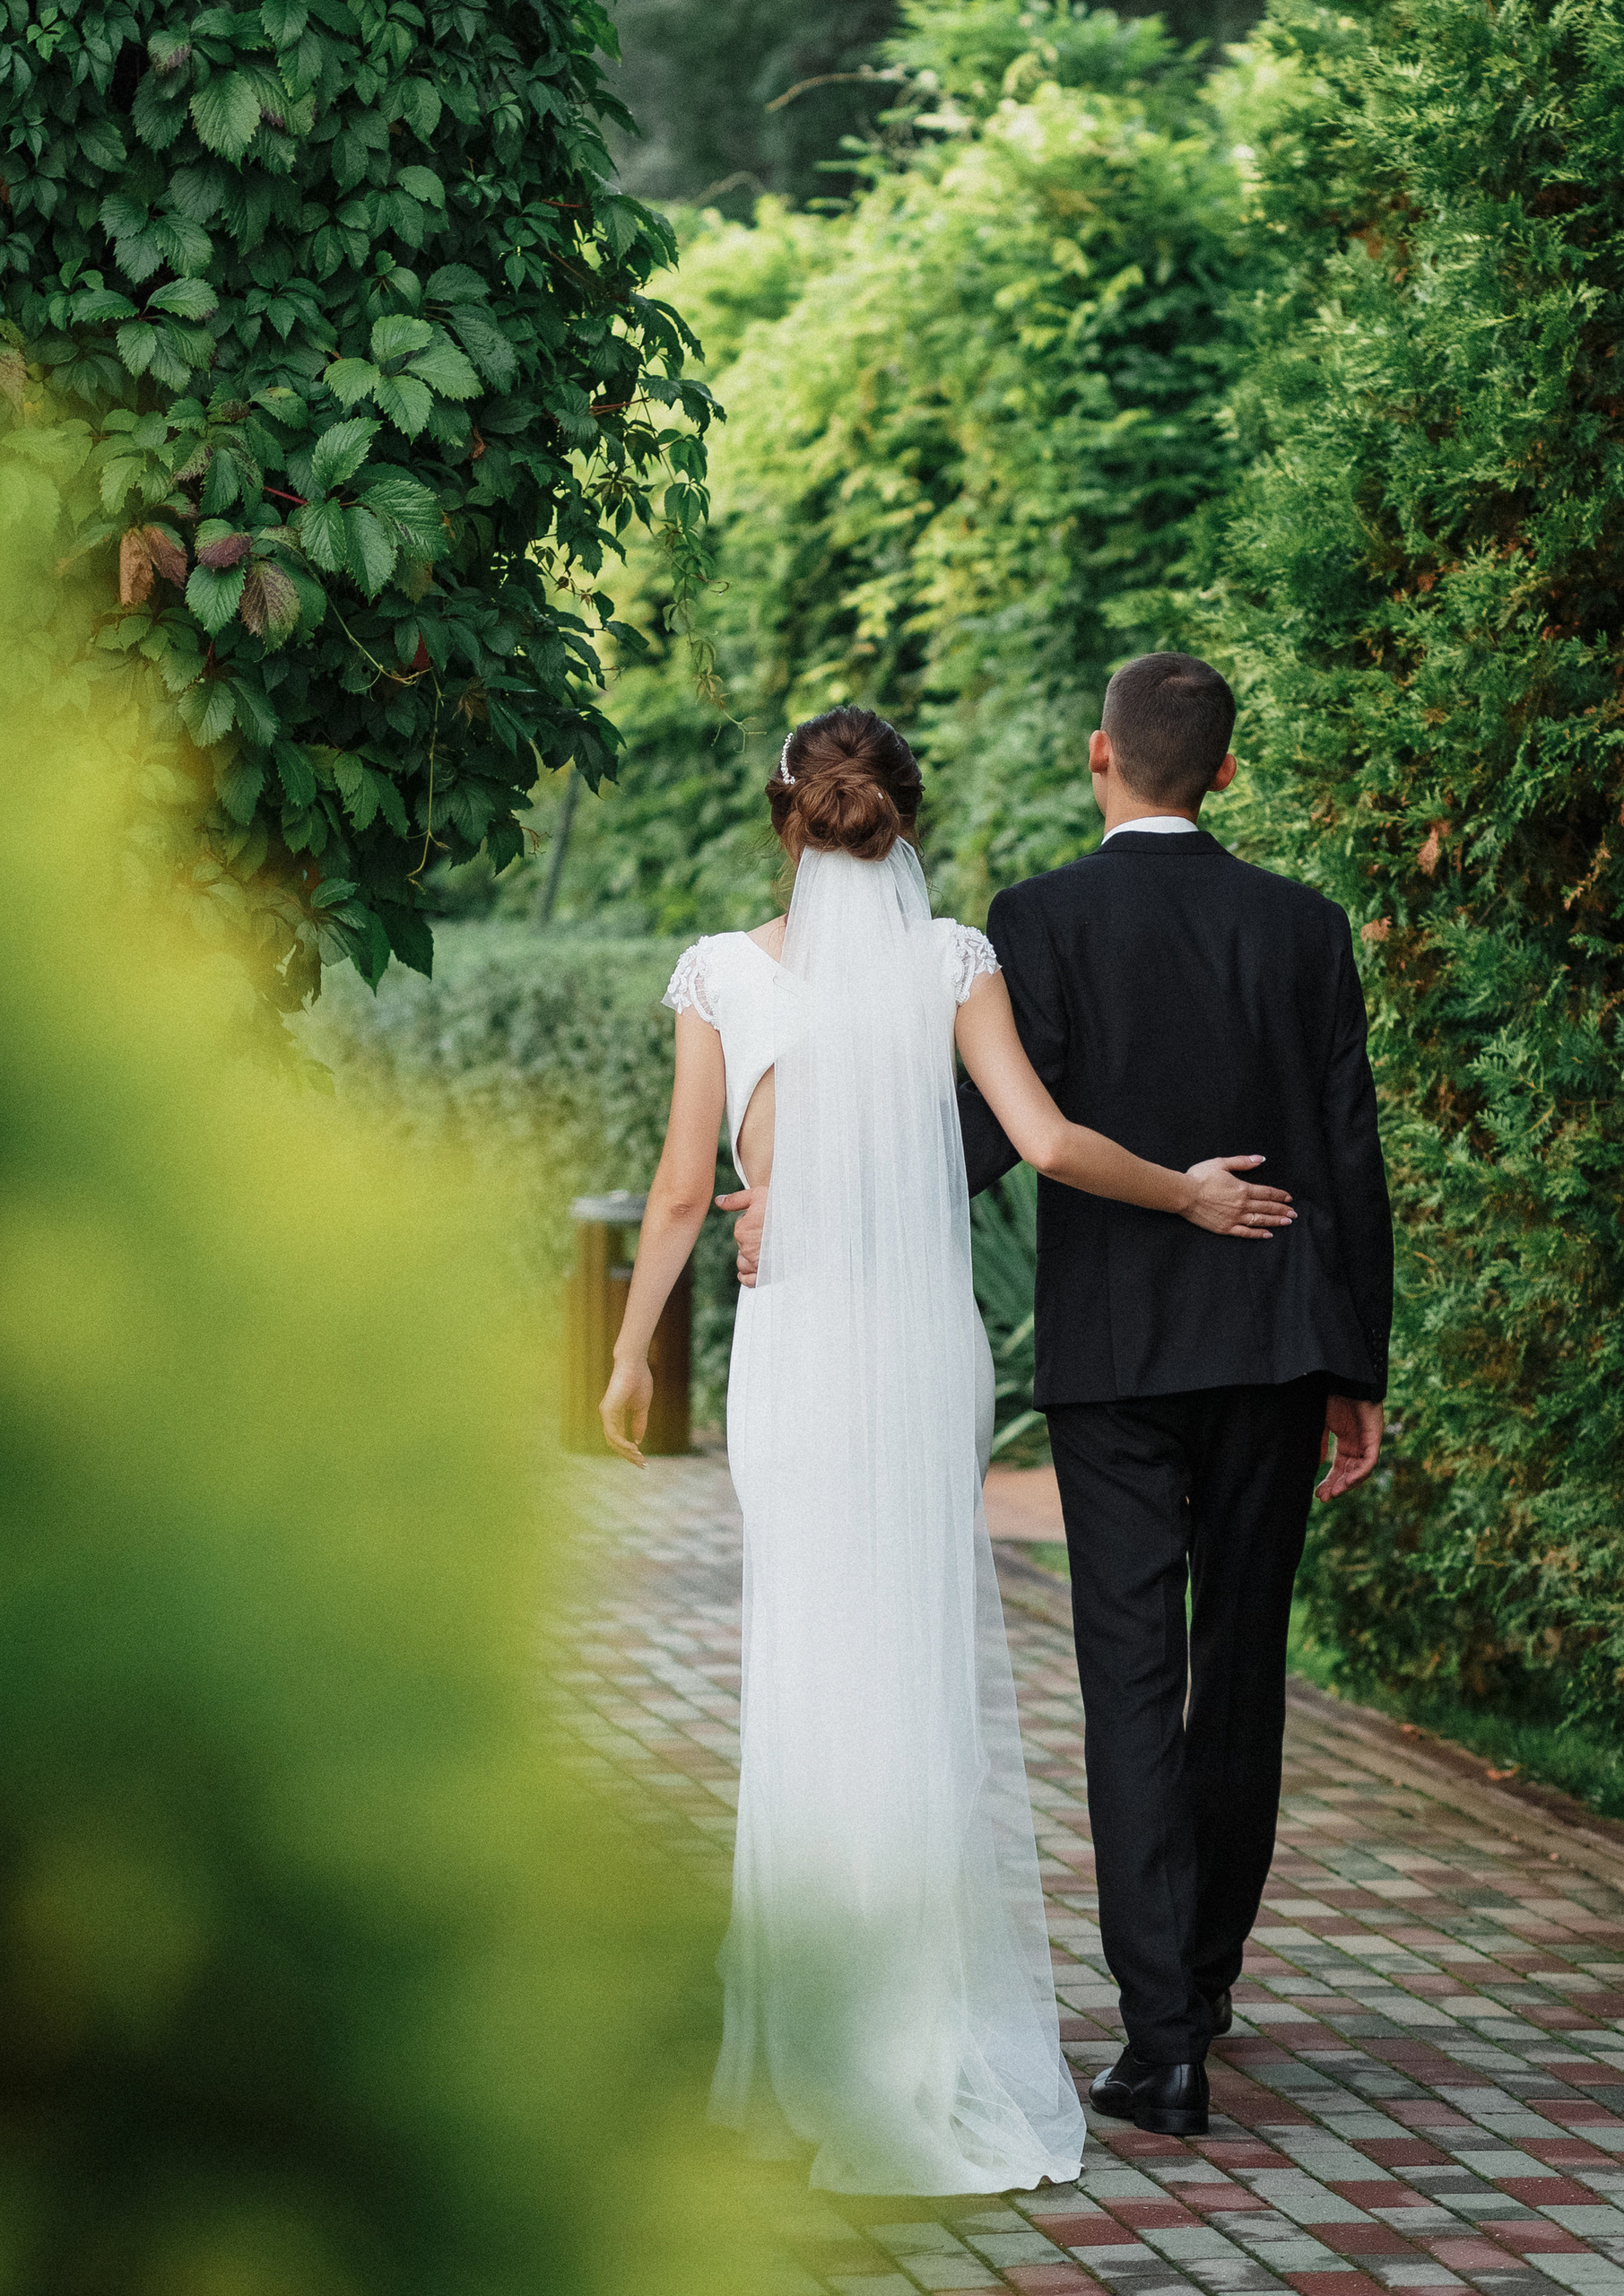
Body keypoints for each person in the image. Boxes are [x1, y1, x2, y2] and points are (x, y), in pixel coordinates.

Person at [599, 704, 1298, 2196]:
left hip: (794, 1353)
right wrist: (1187, 1195)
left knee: (805, 1659)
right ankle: (922, 2011)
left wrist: (623, 1351)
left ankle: (807, 2011)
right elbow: (1043, 1145)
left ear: (783, 817)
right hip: (922, 1360)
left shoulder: (725, 974)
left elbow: (675, 1193)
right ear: (900, 816)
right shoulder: (953, 960)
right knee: (912, 1657)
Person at [730, 656, 1394, 2141]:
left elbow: (968, 1137)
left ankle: (1162, 2040)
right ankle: (1204, 1980)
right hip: (1281, 1349)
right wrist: (1359, 1369)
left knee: (1130, 1682)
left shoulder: (1037, 920)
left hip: (1110, 1366)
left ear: (1102, 757)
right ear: (1224, 771)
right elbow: (1349, 1158)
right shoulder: (1305, 927)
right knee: (1241, 1674)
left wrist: (798, 1207)